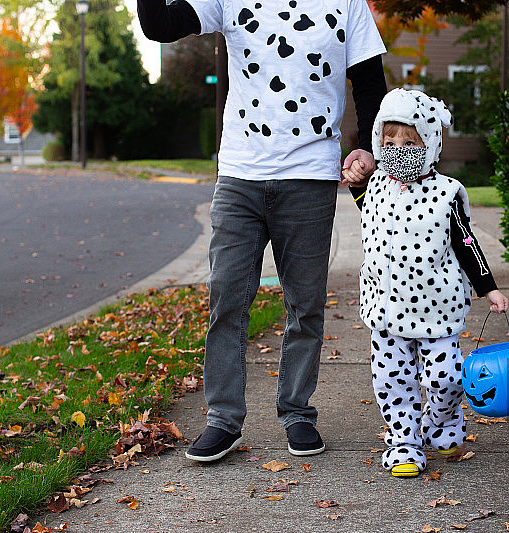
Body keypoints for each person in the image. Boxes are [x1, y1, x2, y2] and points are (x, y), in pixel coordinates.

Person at [137, 0, 387, 462]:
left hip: (310, 174)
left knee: (305, 305)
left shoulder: (347, 2)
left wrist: (369, 148)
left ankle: (297, 412)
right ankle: (223, 419)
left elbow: (370, 81)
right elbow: (160, 26)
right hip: (240, 174)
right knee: (227, 297)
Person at [350, 88, 509, 477]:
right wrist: (356, 178)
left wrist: (488, 287)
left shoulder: (446, 193)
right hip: (386, 308)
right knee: (393, 381)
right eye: (389, 143)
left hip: (436, 309)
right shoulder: (377, 185)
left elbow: (465, 242)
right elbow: (364, 206)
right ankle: (403, 442)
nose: (398, 151)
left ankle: (441, 422)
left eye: (409, 143)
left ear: (430, 143)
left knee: (447, 379)